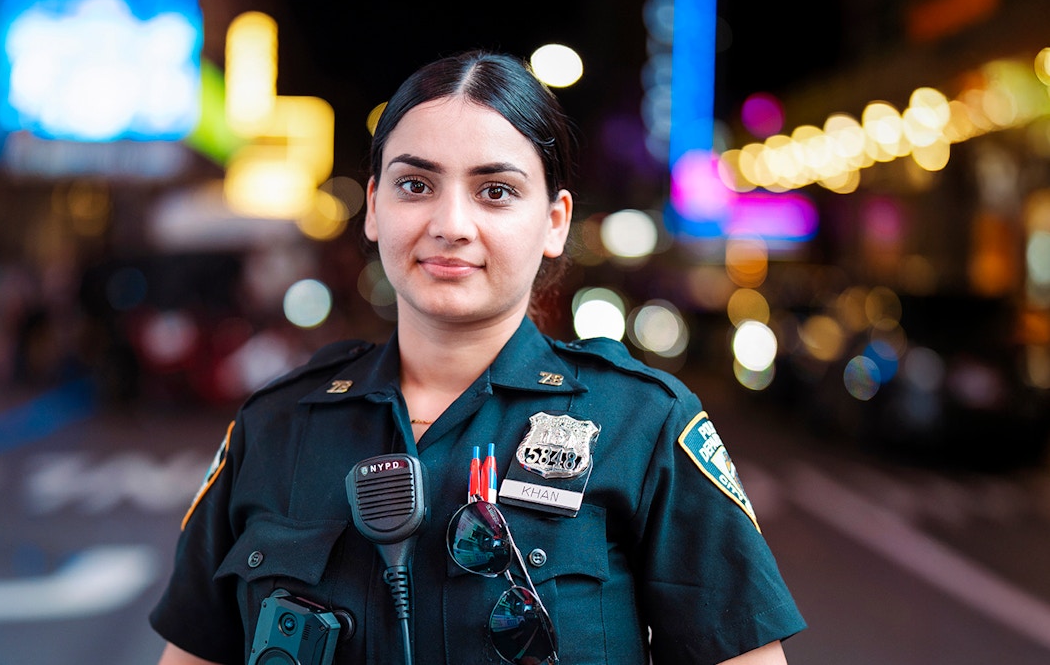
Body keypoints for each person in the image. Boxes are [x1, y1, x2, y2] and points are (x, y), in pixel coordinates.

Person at [150, 50, 805, 665]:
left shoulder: (642, 424)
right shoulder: (275, 426)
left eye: (495, 191)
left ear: (554, 221)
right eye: (415, 185)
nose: (451, 223)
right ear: (374, 207)